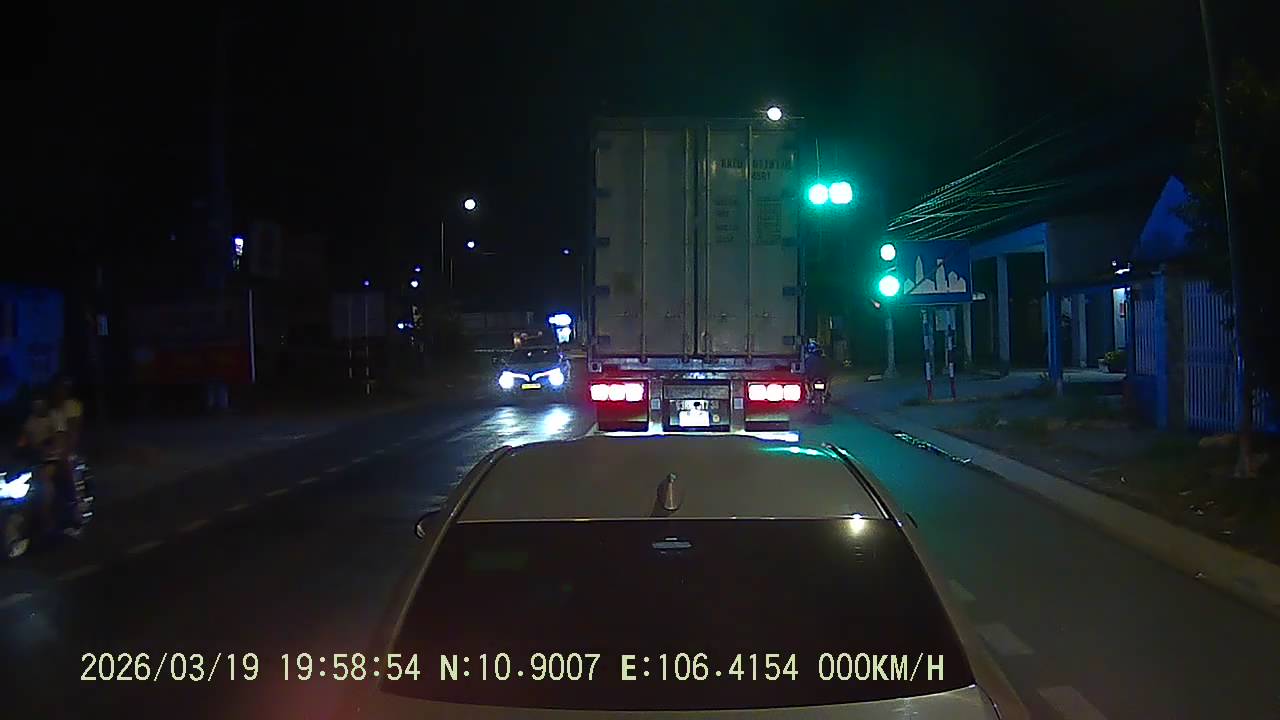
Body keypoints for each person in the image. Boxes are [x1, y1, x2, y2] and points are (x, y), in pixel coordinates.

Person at [15, 395, 59, 531]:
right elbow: (23, 441)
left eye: (41, 403)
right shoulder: (29, 422)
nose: (39, 406)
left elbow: (56, 439)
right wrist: (20, 448)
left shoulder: (52, 418)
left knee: (45, 485)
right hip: (35, 460)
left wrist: (48, 446)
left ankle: (48, 520)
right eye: (36, 404)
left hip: (51, 458)